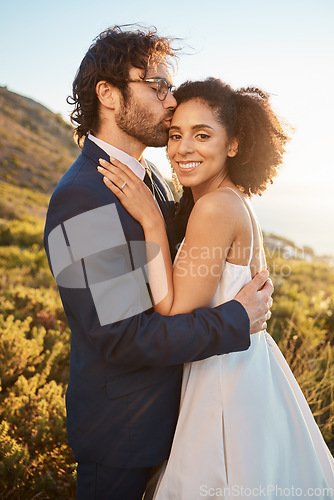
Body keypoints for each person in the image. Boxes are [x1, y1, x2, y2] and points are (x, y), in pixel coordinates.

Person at [43, 27, 273, 499]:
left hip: (184, 421)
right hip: (124, 438)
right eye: (157, 86)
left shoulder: (157, 182)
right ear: (108, 94)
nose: (171, 101)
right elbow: (122, 337)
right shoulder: (83, 198)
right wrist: (235, 319)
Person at [98, 78, 334, 498]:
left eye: (202, 135)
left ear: (234, 145)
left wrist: (151, 221)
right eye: (175, 134)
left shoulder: (215, 207)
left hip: (223, 383)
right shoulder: (230, 198)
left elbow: (171, 311)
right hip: (242, 369)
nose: (183, 148)